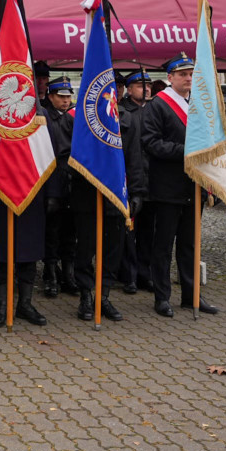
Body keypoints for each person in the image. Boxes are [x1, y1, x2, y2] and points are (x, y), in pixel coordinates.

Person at [141, 52, 219, 317]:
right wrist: (186, 150)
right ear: (170, 77)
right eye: (183, 74)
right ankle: (162, 297)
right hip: (167, 188)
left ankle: (191, 294)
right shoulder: (158, 106)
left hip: (193, 187)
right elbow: (151, 143)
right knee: (163, 246)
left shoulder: (198, 105)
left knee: (190, 244)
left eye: (191, 74)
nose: (188, 78)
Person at [0, 104, 53, 328]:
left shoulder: (39, 115)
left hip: (31, 191)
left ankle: (25, 304)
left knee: (28, 250)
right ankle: (1, 305)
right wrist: (3, 159)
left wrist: (53, 195)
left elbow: (50, 156)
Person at [71, 76, 148, 321]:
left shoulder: (127, 119)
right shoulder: (78, 119)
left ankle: (103, 296)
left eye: (119, 87)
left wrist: (137, 193)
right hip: (87, 196)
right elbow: (66, 158)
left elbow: (135, 160)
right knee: (85, 249)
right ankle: (85, 296)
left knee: (113, 250)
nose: (115, 91)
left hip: (116, 197)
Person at [119, 69, 153, 294]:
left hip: (152, 180)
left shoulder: (154, 110)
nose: (146, 88)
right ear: (129, 90)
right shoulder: (123, 112)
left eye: (148, 85)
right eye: (141, 85)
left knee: (149, 233)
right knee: (128, 233)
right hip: (131, 180)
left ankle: (145, 274)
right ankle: (128, 276)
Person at [43, 76, 77, 297]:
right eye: (61, 97)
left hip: (71, 180)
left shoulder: (74, 117)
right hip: (53, 179)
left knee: (70, 233)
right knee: (51, 233)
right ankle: (50, 275)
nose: (66, 101)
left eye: (68, 97)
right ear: (51, 97)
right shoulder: (45, 118)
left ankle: (68, 274)